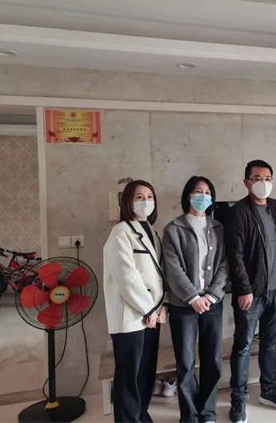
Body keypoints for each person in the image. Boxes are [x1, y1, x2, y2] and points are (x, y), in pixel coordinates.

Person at [226, 160, 276, 423]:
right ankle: (238, 398)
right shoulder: (238, 213)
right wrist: (244, 289)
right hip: (251, 294)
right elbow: (235, 256)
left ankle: (269, 390)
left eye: (267, 178)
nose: (263, 183)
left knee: (271, 343)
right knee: (243, 345)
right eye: (257, 178)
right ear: (246, 183)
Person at [162, 176, 229, 423]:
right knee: (186, 361)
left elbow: (224, 265)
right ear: (188, 196)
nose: (203, 196)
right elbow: (172, 268)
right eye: (198, 191)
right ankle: (189, 415)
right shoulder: (173, 229)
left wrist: (210, 295)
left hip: (213, 303)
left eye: (208, 192)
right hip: (184, 305)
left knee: (212, 359)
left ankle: (208, 412)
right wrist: (192, 297)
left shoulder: (218, 228)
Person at [103, 180, 167, 423]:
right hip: (131, 316)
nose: (146, 201)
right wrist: (149, 310)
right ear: (128, 202)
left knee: (146, 372)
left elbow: (159, 274)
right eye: (139, 197)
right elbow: (126, 276)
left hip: (153, 314)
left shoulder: (153, 233)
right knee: (129, 374)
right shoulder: (120, 232)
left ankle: (140, 415)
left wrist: (161, 308)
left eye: (150, 196)